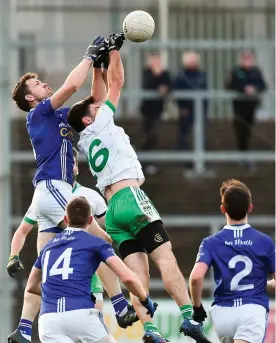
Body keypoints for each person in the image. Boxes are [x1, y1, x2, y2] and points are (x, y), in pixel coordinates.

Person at [67, 33, 212, 343]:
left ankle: (150, 330)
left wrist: (97, 65)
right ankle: (188, 317)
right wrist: (116, 52)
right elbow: (116, 84)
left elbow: (99, 92)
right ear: (89, 117)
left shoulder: (86, 136)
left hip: (113, 211)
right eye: (95, 105)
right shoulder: (100, 122)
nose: (100, 103)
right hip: (130, 197)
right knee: (166, 258)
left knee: (139, 273)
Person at [8, 35, 136, 343]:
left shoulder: (60, 117)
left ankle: (26, 328)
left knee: (47, 264)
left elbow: (95, 102)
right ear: (30, 98)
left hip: (52, 197)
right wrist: (90, 55)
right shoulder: (38, 114)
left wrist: (101, 65)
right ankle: (120, 303)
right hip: (53, 189)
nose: (44, 86)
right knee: (100, 242)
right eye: (38, 85)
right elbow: (69, 87)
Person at [7, 147, 137, 332]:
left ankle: (25, 328)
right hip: (59, 281)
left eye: (73, 162)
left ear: (76, 167)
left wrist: (124, 240)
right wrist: (14, 255)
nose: (69, 166)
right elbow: (21, 231)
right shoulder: (44, 197)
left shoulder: (90, 196)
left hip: (86, 281)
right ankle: (120, 306)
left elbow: (110, 227)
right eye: (67, 161)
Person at [25, 196, 157, 343]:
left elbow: (31, 286)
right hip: (81, 315)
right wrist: (145, 299)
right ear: (90, 220)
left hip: (48, 321)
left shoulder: (48, 247)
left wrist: (56, 293)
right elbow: (128, 278)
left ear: (65, 219)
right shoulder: (95, 243)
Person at [189, 179, 275, 343]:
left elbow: (196, 277)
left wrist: (197, 307)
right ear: (250, 208)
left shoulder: (211, 242)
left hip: (221, 315)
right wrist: (262, 284)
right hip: (251, 311)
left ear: (223, 209)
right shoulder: (264, 242)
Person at [226, 51, 266, 169]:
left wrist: (255, 89)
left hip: (252, 105)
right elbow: (230, 85)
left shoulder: (256, 71)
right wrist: (243, 89)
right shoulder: (236, 71)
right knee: (240, 130)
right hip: (239, 106)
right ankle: (242, 155)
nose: (247, 61)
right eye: (245, 58)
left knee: (248, 130)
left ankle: (245, 154)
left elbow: (263, 85)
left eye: (249, 58)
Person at [140, 52, 171, 175]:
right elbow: (147, 86)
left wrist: (165, 88)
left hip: (159, 109)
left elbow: (169, 84)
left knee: (154, 136)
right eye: (155, 60)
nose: (157, 63)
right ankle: (142, 163)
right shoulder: (147, 72)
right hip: (147, 109)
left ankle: (145, 162)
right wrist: (157, 76)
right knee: (148, 136)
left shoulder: (164, 73)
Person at [174, 51, 208, 155]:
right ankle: (183, 156)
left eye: (195, 60)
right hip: (186, 109)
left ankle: (200, 157)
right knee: (185, 133)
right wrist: (182, 107)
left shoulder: (202, 75)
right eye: (190, 60)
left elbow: (205, 90)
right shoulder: (180, 75)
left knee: (200, 133)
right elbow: (177, 91)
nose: (193, 62)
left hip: (200, 109)